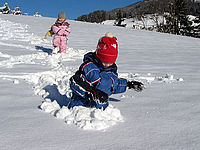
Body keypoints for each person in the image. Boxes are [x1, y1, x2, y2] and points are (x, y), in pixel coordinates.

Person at [69, 32, 145, 110]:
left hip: (100, 108)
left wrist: (129, 84)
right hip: (81, 105)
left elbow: (114, 85)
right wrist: (91, 92)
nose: (107, 65)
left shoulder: (111, 71)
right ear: (99, 57)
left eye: (110, 62)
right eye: (105, 62)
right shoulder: (89, 67)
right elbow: (75, 81)